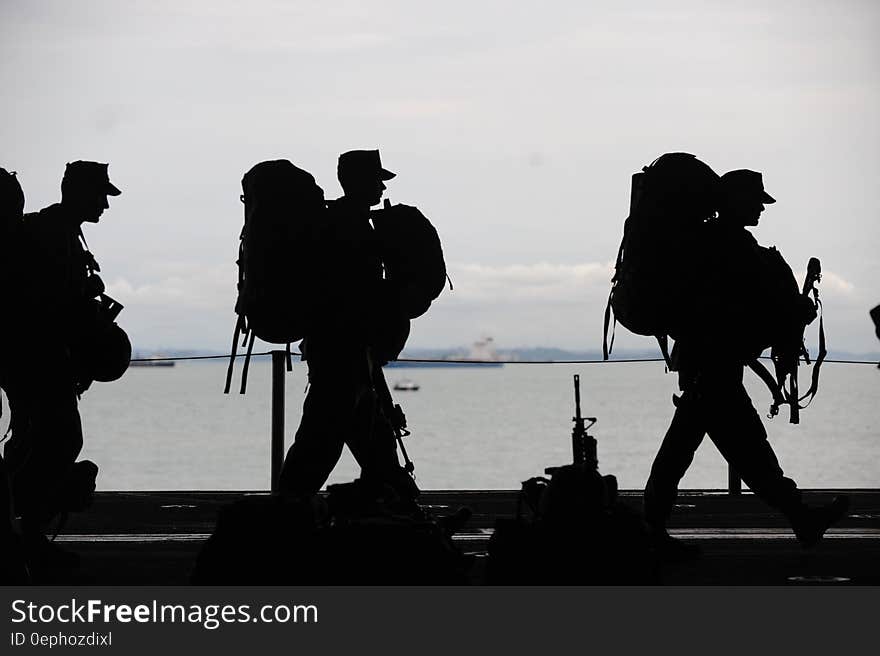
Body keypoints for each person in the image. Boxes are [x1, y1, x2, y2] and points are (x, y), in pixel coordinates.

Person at [643, 168, 848, 558]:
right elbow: (755, 305)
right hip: (714, 365)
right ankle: (799, 516)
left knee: (717, 450)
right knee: (738, 452)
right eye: (755, 201)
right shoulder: (730, 245)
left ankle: (799, 516)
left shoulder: (711, 243)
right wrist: (798, 309)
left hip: (709, 364)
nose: (760, 208)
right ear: (734, 202)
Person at [278, 150, 416, 502]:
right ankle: (283, 513)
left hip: (349, 353)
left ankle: (400, 504)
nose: (381, 188)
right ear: (357, 182)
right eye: (376, 180)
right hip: (342, 352)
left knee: (374, 442)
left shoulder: (345, 221)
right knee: (320, 443)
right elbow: (351, 293)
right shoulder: (347, 226)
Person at [2, 161, 120, 569]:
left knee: (31, 442)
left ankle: (20, 534)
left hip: (35, 357)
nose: (105, 203)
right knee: (62, 439)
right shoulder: (53, 233)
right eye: (100, 194)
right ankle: (31, 536)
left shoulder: (63, 231)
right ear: (77, 192)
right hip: (35, 356)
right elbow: (45, 304)